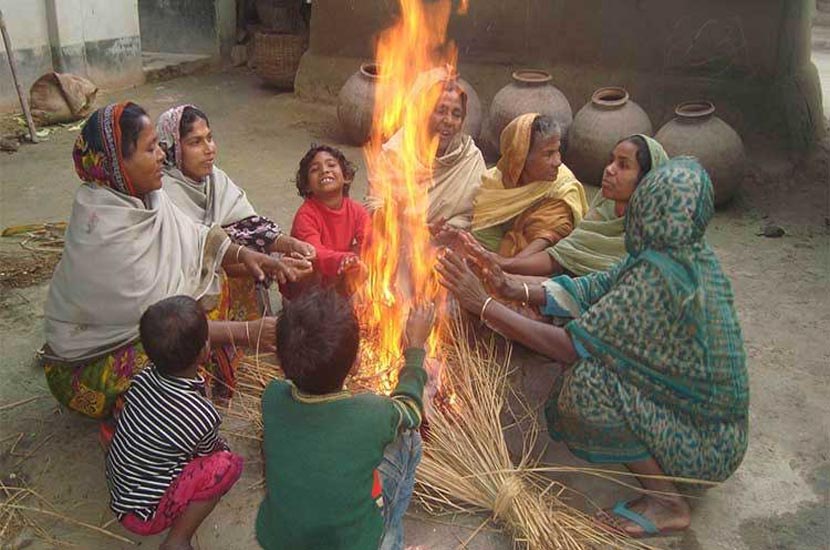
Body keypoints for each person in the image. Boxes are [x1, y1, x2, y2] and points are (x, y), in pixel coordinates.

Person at [438, 158, 749, 538]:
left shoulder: (663, 279)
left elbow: (570, 346)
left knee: (587, 385)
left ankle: (667, 501)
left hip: (703, 446)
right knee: (589, 356)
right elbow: (591, 288)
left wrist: (482, 304)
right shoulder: (678, 254)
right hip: (710, 429)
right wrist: (507, 285)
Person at [40, 102, 312, 421]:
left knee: (225, 279)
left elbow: (197, 238)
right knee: (164, 359)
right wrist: (246, 332)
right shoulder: (103, 228)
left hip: (156, 324)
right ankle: (133, 425)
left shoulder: (149, 198)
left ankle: (207, 374)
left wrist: (248, 255)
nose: (161, 156)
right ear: (117, 164)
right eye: (150, 148)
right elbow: (162, 325)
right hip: (87, 369)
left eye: (159, 145)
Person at [256, 288, 435, 549]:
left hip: (280, 539)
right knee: (409, 438)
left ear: (280, 360)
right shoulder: (370, 413)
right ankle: (390, 538)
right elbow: (410, 410)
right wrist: (416, 348)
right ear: (356, 364)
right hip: (351, 543)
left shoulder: (272, 396)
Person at [107, 295, 243, 550]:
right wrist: (221, 447)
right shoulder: (200, 414)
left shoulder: (142, 377)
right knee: (226, 465)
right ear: (205, 350)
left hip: (123, 493)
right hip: (147, 515)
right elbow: (211, 451)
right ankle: (177, 539)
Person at [157, 104, 316, 317]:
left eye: (210, 138)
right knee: (235, 269)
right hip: (186, 288)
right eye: (195, 142)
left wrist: (291, 244)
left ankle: (248, 336)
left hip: (225, 261)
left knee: (256, 254)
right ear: (172, 149)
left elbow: (248, 228)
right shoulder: (166, 192)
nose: (209, 148)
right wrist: (271, 265)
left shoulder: (214, 179)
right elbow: (201, 252)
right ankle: (230, 339)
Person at [472, 134, 668, 277]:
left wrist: (506, 271)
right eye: (611, 161)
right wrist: (501, 265)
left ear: (648, 180)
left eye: (623, 165)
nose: (609, 170)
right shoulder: (600, 215)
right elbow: (560, 257)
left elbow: (591, 289)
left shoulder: (651, 239)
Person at [367, 67, 487, 230]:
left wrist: (447, 229)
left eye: (456, 114)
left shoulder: (470, 158)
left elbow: (472, 216)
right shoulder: (395, 153)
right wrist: (402, 223)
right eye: (441, 111)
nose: (449, 121)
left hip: (445, 247)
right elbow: (373, 206)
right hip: (396, 242)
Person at [471, 113, 589, 258]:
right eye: (549, 154)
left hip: (540, 267)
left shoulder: (562, 187)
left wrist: (505, 265)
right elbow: (483, 235)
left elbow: (547, 239)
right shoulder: (493, 185)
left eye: (557, 150)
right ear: (520, 157)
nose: (558, 161)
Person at [286, 144, 370, 295]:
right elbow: (314, 253)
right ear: (307, 186)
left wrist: (356, 260)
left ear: (346, 177)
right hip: (308, 289)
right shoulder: (306, 215)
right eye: (315, 169)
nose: (324, 170)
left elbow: (370, 243)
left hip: (338, 279)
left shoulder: (357, 211)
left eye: (331, 165)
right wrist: (345, 259)